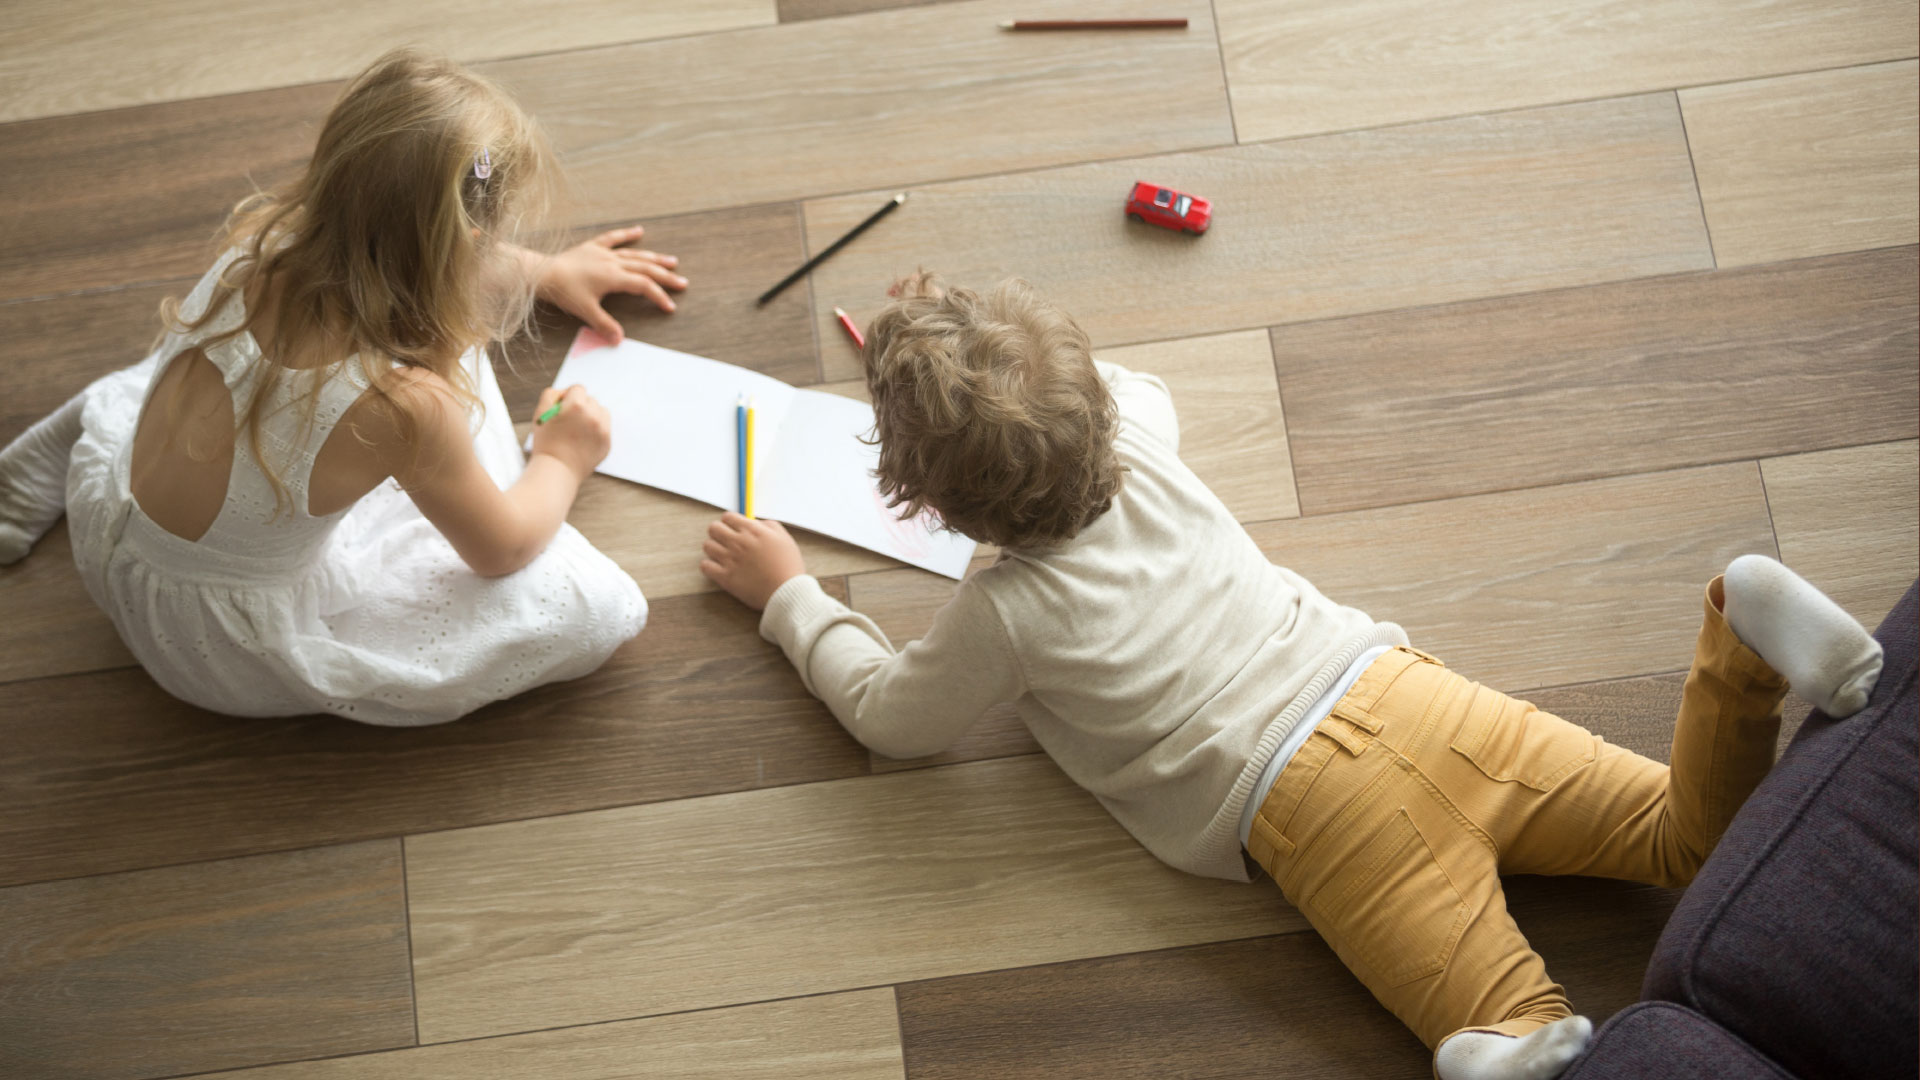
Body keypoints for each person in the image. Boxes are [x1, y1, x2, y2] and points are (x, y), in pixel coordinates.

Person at [697, 273, 1885, 1080]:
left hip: (1309, 807)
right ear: (1093, 404)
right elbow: (1114, 391)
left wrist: (791, 597)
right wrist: (964, 339)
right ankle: (1739, 637)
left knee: (1503, 1015)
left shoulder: (1006, 610)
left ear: (929, 505)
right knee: (1685, 837)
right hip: (1409, 695)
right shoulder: (1138, 435)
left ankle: (1506, 1042)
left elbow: (892, 718)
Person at [0, 49, 685, 725]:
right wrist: (562, 457)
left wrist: (543, 272)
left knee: (192, 384)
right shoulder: (405, 405)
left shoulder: (259, 250)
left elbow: (411, 242)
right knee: (596, 607)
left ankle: (49, 464)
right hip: (209, 642)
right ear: (470, 240)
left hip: (115, 532)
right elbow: (501, 550)